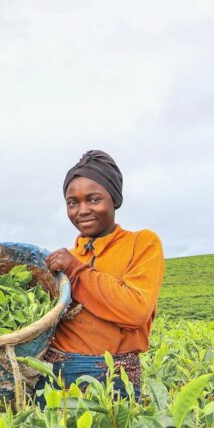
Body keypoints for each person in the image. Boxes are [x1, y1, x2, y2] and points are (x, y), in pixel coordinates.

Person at [44, 150, 164, 400]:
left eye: (93, 199)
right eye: (72, 202)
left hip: (113, 381)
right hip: (53, 380)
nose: (82, 210)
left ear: (114, 199)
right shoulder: (66, 258)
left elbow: (136, 310)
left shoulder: (141, 243)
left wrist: (76, 271)